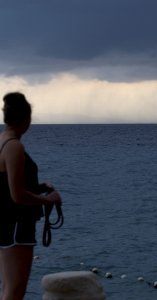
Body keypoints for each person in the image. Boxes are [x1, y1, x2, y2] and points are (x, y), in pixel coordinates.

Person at [0, 92, 62, 300]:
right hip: (18, 226)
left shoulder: (2, 141)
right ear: (26, 119)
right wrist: (49, 199)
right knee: (16, 290)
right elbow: (17, 195)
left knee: (8, 287)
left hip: (6, 224)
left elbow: (7, 185)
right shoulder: (15, 147)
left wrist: (39, 186)